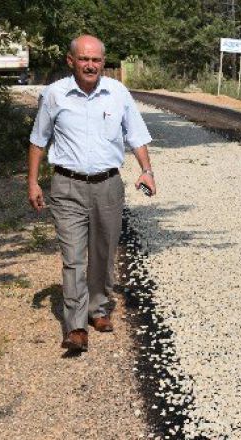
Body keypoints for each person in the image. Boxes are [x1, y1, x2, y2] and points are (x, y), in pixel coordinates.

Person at [27, 34, 156, 352]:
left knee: (103, 252)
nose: (90, 65)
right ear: (71, 61)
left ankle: (98, 309)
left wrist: (147, 170)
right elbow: (38, 140)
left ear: (103, 62)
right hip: (67, 186)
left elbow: (136, 135)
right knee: (73, 258)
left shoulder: (118, 93)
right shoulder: (54, 94)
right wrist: (32, 182)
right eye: (84, 59)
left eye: (96, 59)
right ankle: (75, 327)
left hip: (108, 186)